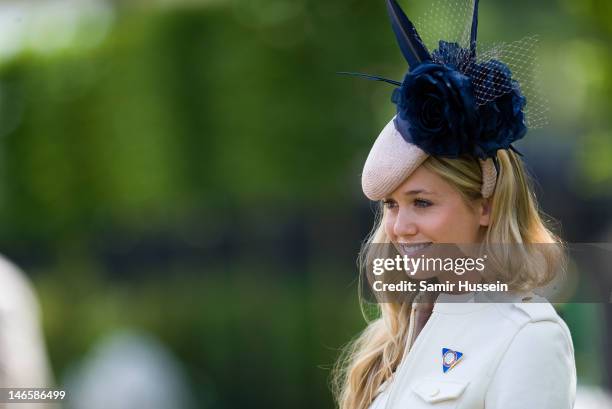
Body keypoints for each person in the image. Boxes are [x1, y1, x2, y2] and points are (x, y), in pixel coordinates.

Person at [332, 1, 576, 408]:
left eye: (422, 202)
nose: (400, 227)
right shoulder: (391, 338)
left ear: (486, 205)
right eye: (391, 205)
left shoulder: (529, 336)